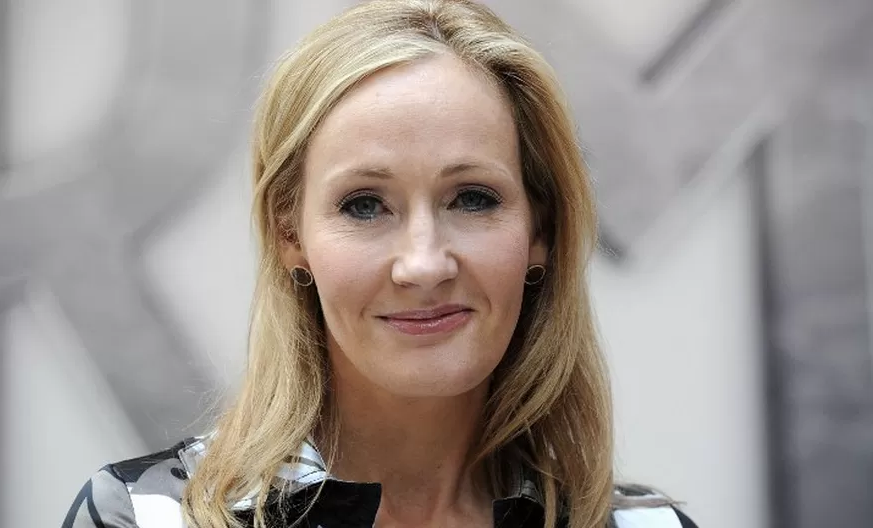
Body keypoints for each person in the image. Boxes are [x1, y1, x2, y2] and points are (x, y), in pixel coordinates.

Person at [62, 1, 699, 527]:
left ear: (541, 231)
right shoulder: (145, 518)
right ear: (290, 236)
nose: (423, 264)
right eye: (365, 205)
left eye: (472, 198)